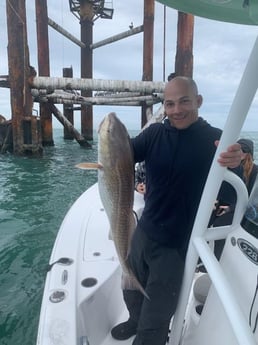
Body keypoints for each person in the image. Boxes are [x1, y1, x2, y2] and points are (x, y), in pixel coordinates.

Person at [111, 76, 242, 345]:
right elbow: (124, 156)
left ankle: (147, 332)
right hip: (144, 232)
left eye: (184, 102)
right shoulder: (154, 133)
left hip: (176, 245)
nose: (176, 110)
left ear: (198, 101)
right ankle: (134, 319)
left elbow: (229, 192)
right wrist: (109, 142)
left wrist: (235, 162)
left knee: (155, 319)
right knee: (131, 289)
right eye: (169, 104)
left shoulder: (216, 140)